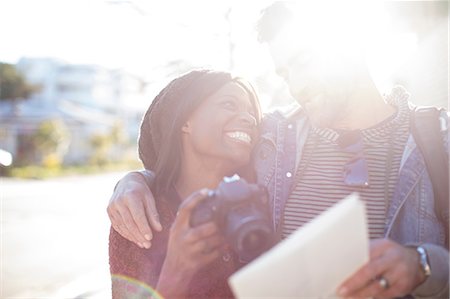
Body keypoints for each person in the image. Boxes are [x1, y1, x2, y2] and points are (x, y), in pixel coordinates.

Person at [107, 2, 449, 298]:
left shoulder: (439, 144)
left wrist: (421, 264)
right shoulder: (272, 137)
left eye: (304, 60)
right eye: (285, 73)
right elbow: (193, 162)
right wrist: (137, 180)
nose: (296, 85)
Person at [109, 69, 262, 298]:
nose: (249, 119)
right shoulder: (141, 217)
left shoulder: (260, 200)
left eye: (252, 113)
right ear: (185, 121)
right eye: (229, 104)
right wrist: (178, 270)